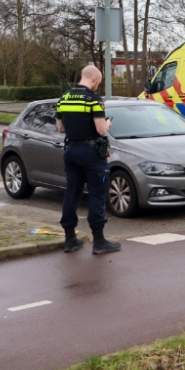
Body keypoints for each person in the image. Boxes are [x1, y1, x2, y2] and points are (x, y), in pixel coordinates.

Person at [55, 65, 121, 255]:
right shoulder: (93, 100)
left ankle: (70, 240)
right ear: (94, 79)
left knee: (72, 193)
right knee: (97, 194)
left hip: (71, 150)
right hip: (91, 153)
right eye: (98, 82)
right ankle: (99, 241)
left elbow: (60, 128)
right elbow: (101, 130)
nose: (97, 85)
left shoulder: (64, 98)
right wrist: (108, 123)